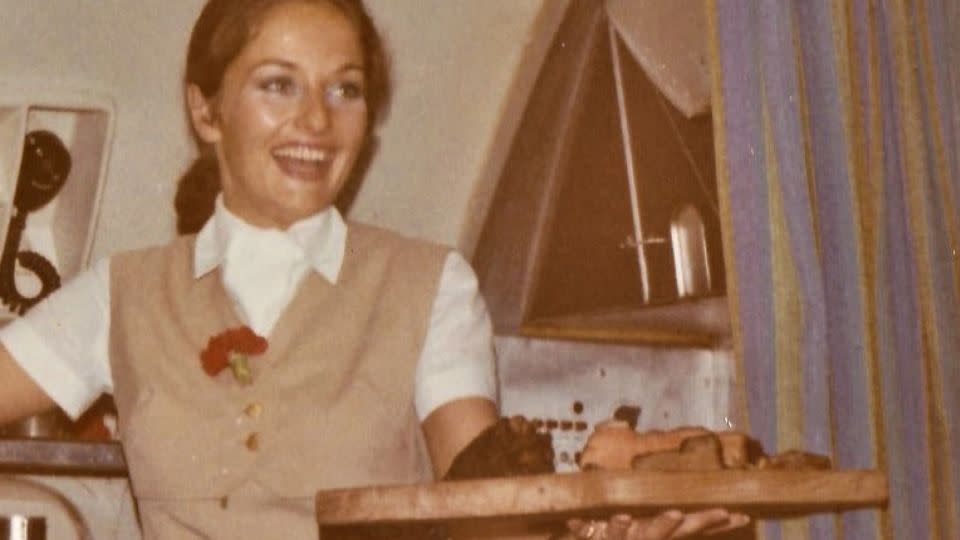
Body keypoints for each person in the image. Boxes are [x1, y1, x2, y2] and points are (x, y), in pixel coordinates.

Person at [0, 1, 748, 538]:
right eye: (278, 84)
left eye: (344, 88)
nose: (317, 121)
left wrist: (597, 534)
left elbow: (482, 499)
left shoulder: (430, 285)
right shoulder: (123, 295)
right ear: (206, 111)